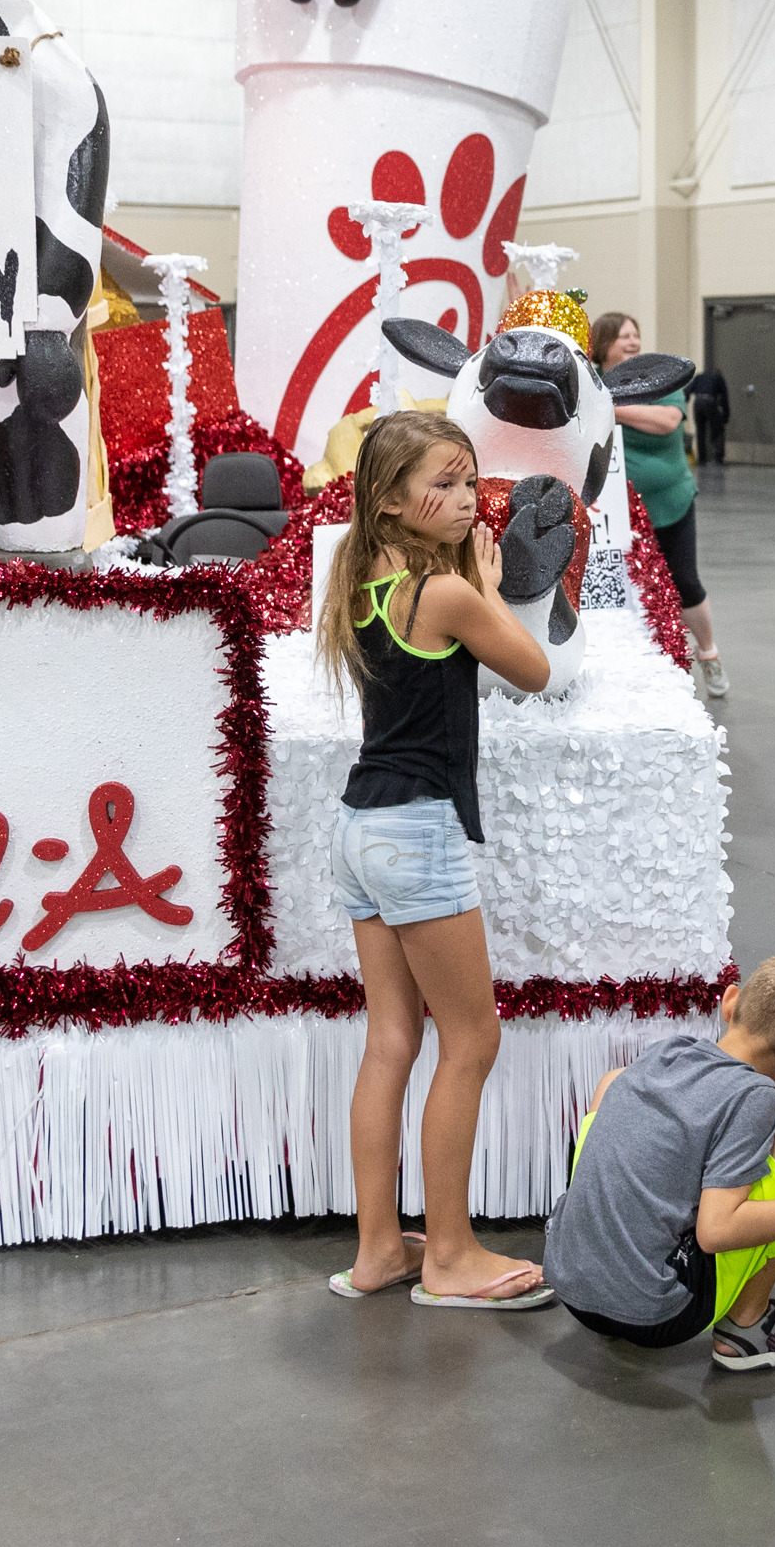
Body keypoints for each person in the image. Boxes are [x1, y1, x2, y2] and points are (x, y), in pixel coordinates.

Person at [317, 411, 558, 1310]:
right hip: (415, 833)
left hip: (360, 829)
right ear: (390, 501)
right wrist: (488, 589)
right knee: (472, 1039)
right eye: (445, 486)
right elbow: (532, 669)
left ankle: (381, 1248)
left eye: (469, 481)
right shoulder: (445, 595)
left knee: (390, 1041)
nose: (466, 502)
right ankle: (450, 1256)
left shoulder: (362, 580)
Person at [542, 955, 775, 1369]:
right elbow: (716, 1233)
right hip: (658, 1314)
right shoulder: (754, 1097)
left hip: (570, 1286)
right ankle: (750, 1327)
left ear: (730, 1002)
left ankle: (603, 1257)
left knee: (614, 1082)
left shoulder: (667, 1052)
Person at [594, 311, 728, 700]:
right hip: (616, 510)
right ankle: (655, 665)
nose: (633, 342)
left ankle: (708, 653)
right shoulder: (593, 383)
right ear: (604, 343)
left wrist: (606, 408)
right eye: (623, 336)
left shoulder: (657, 376)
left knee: (684, 581)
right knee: (629, 591)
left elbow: (669, 420)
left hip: (670, 501)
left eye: (636, 334)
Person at [688, 366, 732, 467]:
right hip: (710, 402)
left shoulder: (699, 377)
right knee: (718, 429)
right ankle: (719, 458)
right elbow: (724, 398)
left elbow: (688, 391)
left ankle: (702, 460)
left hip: (698, 403)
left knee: (700, 431)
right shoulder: (719, 378)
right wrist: (726, 418)